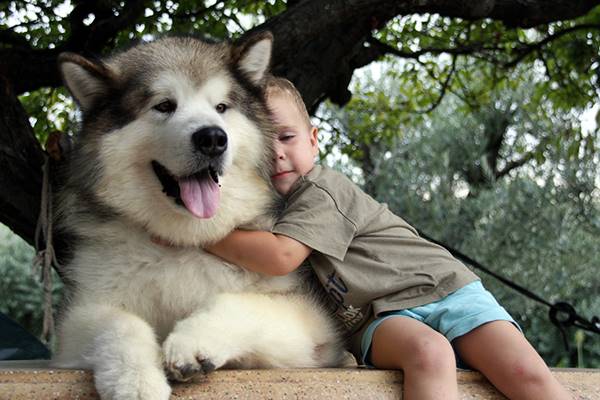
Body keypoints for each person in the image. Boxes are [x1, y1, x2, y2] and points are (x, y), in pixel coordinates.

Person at [205, 76, 572, 400]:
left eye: (286, 137)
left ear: (314, 141)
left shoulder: (322, 188)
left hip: (443, 288)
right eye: (264, 144)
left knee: (527, 375)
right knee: (429, 353)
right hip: (378, 318)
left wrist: (201, 236)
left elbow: (280, 257)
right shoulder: (256, 211)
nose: (278, 153)